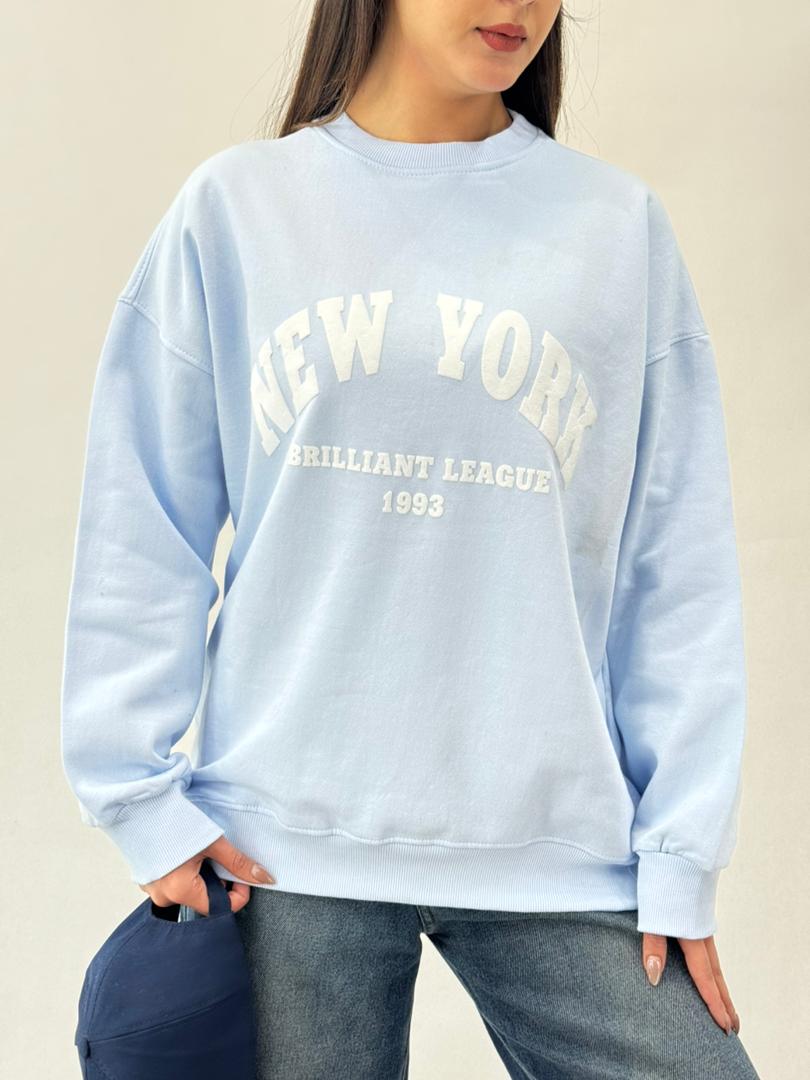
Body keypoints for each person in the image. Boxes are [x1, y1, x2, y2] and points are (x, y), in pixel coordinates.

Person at [60, 1, 761, 1076]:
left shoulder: (615, 228)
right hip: (282, 854)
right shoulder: (239, 209)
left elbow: (676, 566)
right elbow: (141, 521)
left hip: (558, 846)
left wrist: (678, 850)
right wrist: (140, 801)